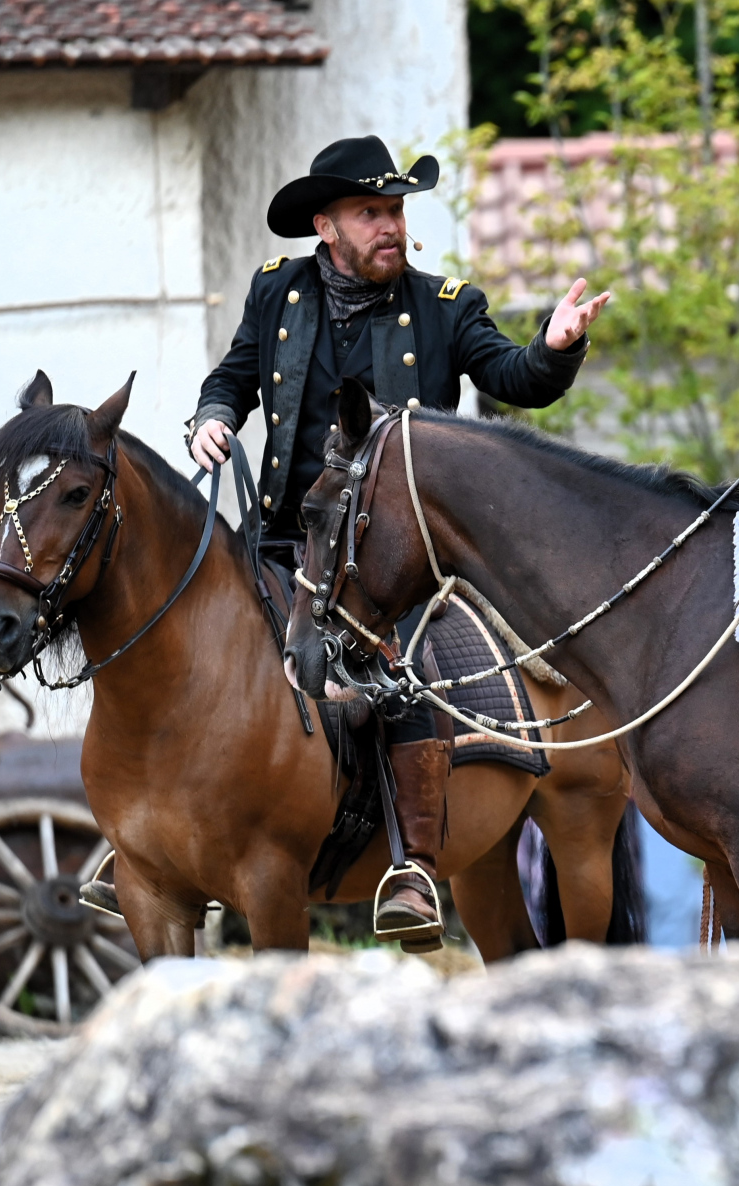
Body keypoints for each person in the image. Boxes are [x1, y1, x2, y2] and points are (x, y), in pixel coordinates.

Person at [187, 135, 609, 946]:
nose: (391, 226)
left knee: (405, 667)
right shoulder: (277, 291)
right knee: (200, 644)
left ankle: (413, 867)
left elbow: (511, 377)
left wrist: (555, 348)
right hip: (283, 538)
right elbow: (235, 376)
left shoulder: (444, 305)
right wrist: (212, 416)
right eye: (370, 213)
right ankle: (164, 834)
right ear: (326, 226)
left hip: (395, 555)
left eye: (396, 211)